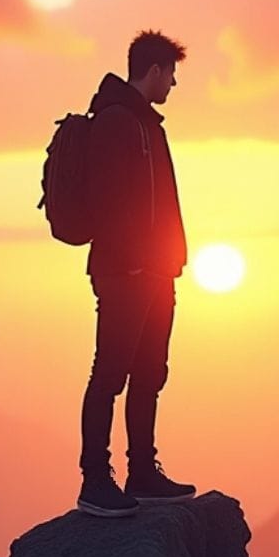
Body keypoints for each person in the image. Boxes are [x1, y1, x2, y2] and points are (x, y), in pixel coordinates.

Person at [76, 30, 198, 517]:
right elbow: (111, 204)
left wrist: (168, 263)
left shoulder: (148, 126)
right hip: (125, 272)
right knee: (110, 374)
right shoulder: (116, 123)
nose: (173, 84)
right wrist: (134, 261)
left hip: (154, 273)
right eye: (171, 74)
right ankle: (94, 480)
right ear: (154, 71)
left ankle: (142, 472)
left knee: (150, 373)